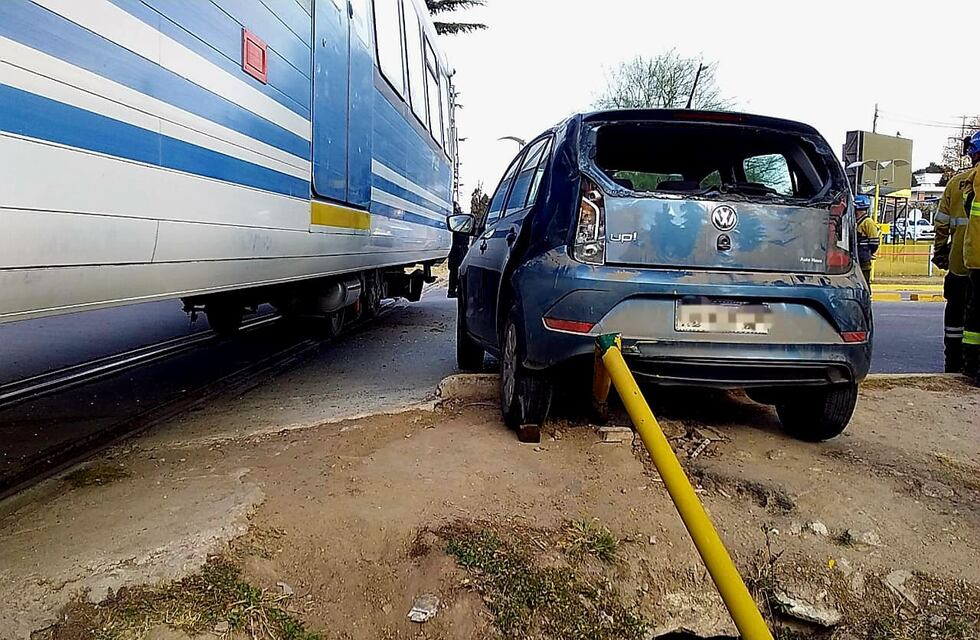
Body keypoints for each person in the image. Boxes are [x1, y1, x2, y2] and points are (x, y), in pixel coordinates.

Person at [933, 152, 976, 372]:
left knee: (956, 311)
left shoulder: (955, 183)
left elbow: (941, 223)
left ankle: (953, 362)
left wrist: (940, 250)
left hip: (960, 263)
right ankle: (972, 365)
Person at [961, 132, 980, 384]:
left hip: (978, 257)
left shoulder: (974, 177)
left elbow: (968, 206)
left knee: (976, 316)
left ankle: (972, 365)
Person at [854, 195, 880, 284]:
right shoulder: (856, 222)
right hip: (856, 257)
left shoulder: (868, 222)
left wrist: (868, 253)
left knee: (864, 281)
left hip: (863, 258)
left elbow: (874, 243)